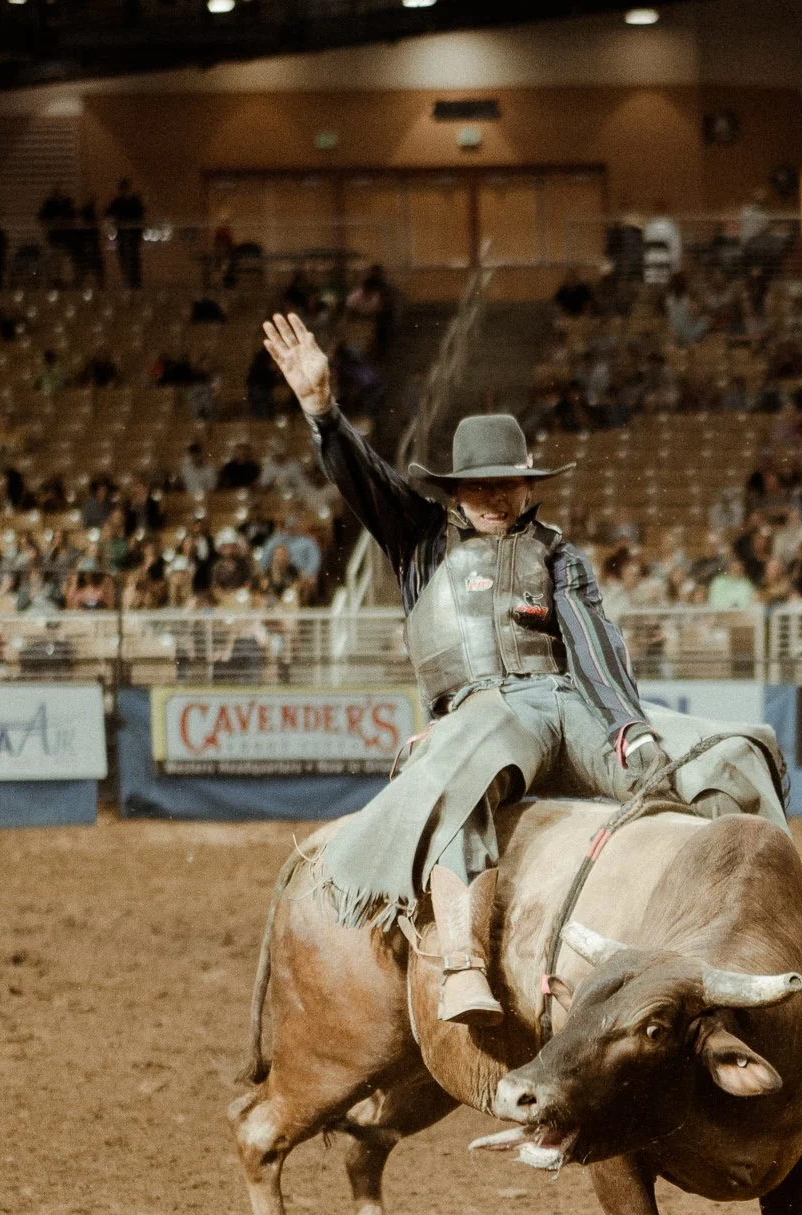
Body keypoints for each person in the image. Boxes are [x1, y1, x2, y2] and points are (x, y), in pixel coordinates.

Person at [264, 312, 699, 1025]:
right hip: (481, 712)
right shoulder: (418, 538)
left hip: (566, 707)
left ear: (529, 487)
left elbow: (593, 645)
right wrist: (323, 411)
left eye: (510, 484)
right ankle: (462, 965)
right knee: (467, 768)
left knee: (666, 780)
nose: (497, 497)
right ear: (455, 490)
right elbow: (362, 477)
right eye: (481, 485)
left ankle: (687, 946)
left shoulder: (560, 555)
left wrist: (627, 730)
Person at [106, 180, 146, 288]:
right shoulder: (118, 201)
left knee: (134, 259)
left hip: (132, 236)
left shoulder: (134, 201)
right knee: (124, 258)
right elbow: (108, 212)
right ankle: (128, 281)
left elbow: (141, 215)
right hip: (123, 236)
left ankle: (136, 282)